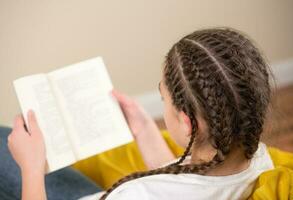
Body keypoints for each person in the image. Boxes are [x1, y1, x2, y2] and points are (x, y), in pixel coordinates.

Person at [3, 27, 275, 200]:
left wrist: (32, 169)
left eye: (163, 97)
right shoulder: (259, 160)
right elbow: (181, 184)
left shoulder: (138, 194)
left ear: (187, 123)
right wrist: (144, 130)